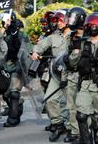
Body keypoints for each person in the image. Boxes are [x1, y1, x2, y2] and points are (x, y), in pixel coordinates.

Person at [31, 10, 71, 142]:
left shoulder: (75, 36)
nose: (58, 23)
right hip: (56, 74)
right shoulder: (53, 36)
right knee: (50, 100)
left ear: (69, 20)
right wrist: (35, 52)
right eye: (57, 21)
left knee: (74, 104)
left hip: (72, 75)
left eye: (61, 20)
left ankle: (74, 130)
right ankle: (58, 124)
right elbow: (40, 45)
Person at [68, 12, 98, 144]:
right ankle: (86, 141)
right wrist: (76, 52)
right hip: (86, 84)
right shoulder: (83, 43)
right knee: (81, 115)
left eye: (96, 23)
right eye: (91, 23)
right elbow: (72, 64)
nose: (93, 26)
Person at [0, 10, 32, 128]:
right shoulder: (2, 34)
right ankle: (18, 106)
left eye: (6, 20)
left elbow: (27, 51)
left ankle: (13, 118)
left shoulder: (21, 35)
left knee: (14, 92)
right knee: (6, 93)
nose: (4, 23)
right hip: (4, 67)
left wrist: (24, 68)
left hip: (17, 67)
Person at [61, 7, 86, 143]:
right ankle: (74, 131)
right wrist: (64, 77)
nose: (69, 21)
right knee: (71, 106)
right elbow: (67, 58)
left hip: (85, 76)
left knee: (85, 107)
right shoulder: (71, 36)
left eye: (71, 18)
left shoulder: (90, 35)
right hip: (72, 75)